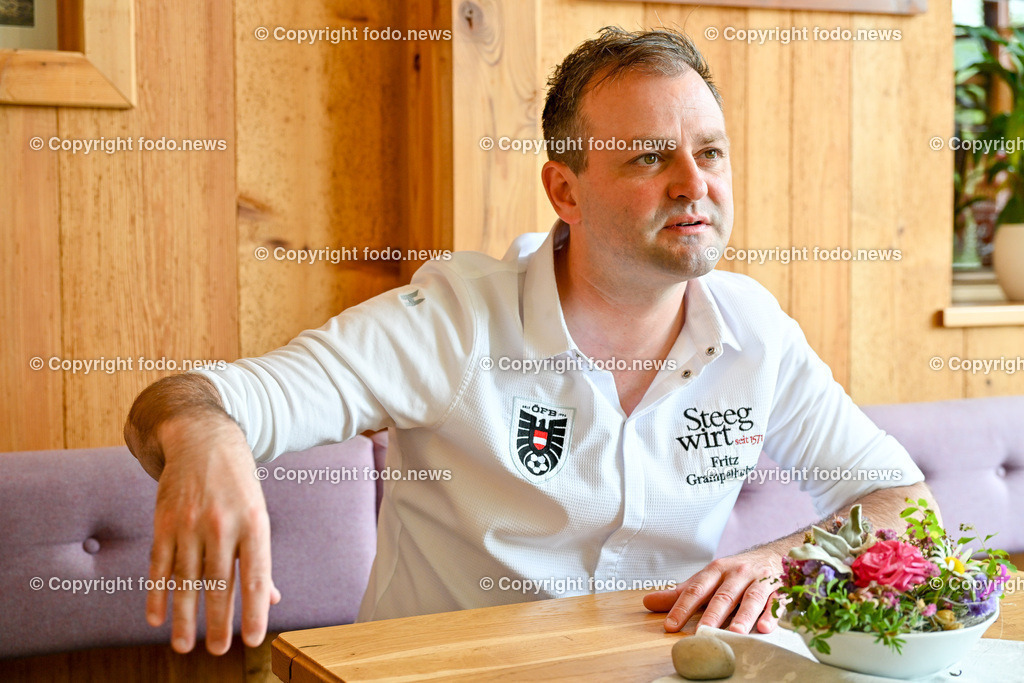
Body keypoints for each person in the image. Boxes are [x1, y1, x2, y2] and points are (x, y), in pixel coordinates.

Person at [124, 26, 936, 656]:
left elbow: (903, 503)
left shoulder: (755, 329)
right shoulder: (453, 321)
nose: (695, 184)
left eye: (711, 152)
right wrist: (204, 439)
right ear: (564, 190)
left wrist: (782, 560)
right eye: (649, 157)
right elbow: (186, 401)